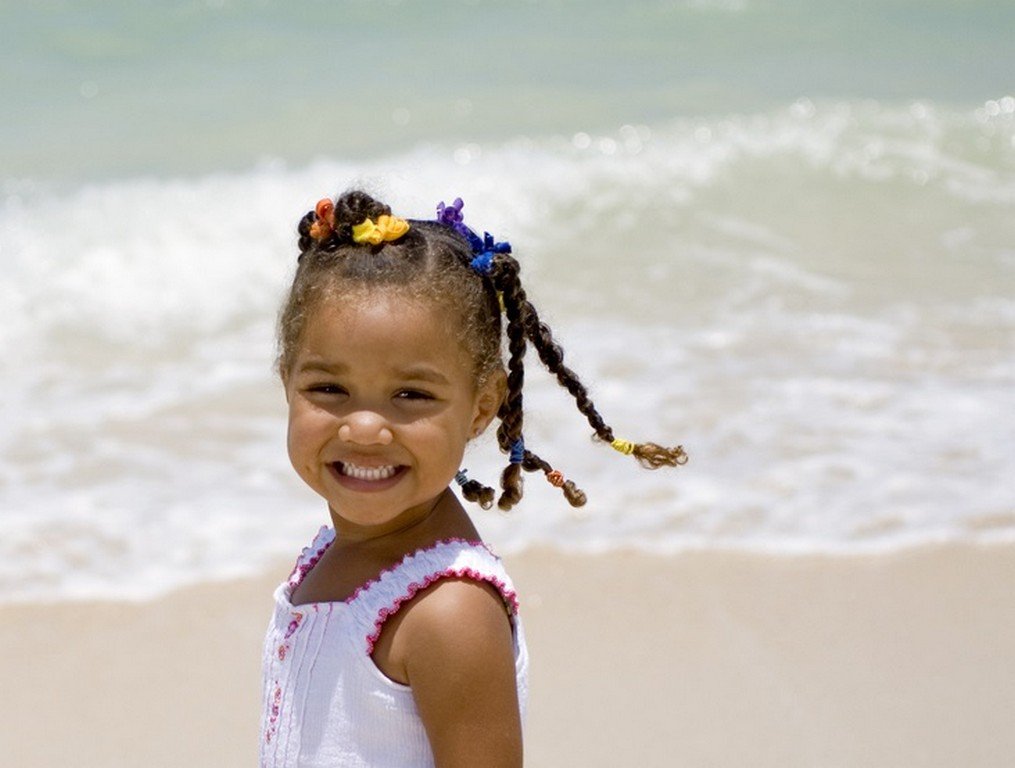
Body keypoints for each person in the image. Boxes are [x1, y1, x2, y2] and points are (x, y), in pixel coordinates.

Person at [260, 189, 687, 767]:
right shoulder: (331, 555)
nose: (364, 428)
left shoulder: (448, 612)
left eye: (411, 395)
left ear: (482, 406)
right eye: (328, 388)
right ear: (287, 381)